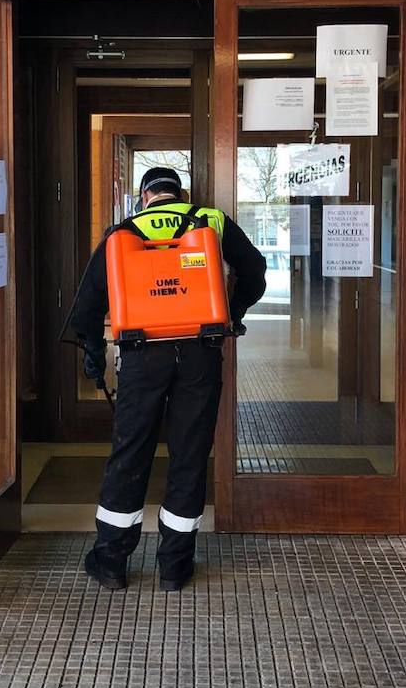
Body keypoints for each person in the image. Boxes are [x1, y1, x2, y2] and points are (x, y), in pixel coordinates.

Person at [69, 166, 266, 591]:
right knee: (190, 452)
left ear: (144, 196)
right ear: (180, 194)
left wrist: (92, 352)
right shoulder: (210, 220)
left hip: (142, 358)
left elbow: (87, 304)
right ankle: (175, 565)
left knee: (130, 451)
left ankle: (111, 560)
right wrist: (234, 313)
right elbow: (255, 269)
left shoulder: (123, 230)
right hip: (200, 353)